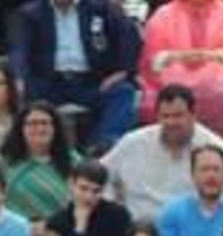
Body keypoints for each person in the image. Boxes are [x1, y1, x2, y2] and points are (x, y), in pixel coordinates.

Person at [10, 0, 140, 150]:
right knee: (18, 92)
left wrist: (122, 71)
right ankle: (34, 151)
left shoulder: (101, 8)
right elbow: (19, 50)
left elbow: (129, 37)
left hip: (91, 82)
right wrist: (18, 77)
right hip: (48, 84)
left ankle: (102, 146)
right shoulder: (30, 13)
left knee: (123, 91)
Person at [101, 85, 223, 223]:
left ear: (193, 115)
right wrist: (113, 211)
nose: (171, 122)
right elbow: (100, 176)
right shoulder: (133, 143)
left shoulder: (216, 149)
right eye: (165, 116)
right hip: (136, 234)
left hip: (190, 235)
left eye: (178, 116)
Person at [137, 0, 223, 144]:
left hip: (217, 68)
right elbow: (152, 55)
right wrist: (178, 56)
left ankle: (219, 144)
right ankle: (173, 142)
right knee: (173, 86)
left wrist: (212, 55)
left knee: (220, 84)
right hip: (173, 67)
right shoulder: (163, 14)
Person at [0, 100, 77, 220]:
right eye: (32, 123)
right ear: (21, 129)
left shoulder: (74, 161)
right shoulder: (6, 165)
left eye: (45, 123)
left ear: (55, 128)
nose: (39, 128)